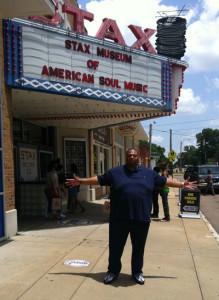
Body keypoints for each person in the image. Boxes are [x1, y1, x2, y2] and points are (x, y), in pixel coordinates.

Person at [66, 148, 196, 285]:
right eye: (129, 155)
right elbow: (98, 179)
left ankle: (137, 272)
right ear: (126, 157)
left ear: (138, 157)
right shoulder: (115, 172)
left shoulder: (149, 174)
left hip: (141, 219)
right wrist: (81, 181)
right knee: (115, 248)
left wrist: (182, 184)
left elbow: (165, 181)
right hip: (118, 219)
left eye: (134, 155)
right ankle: (112, 272)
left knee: (138, 248)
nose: (132, 157)